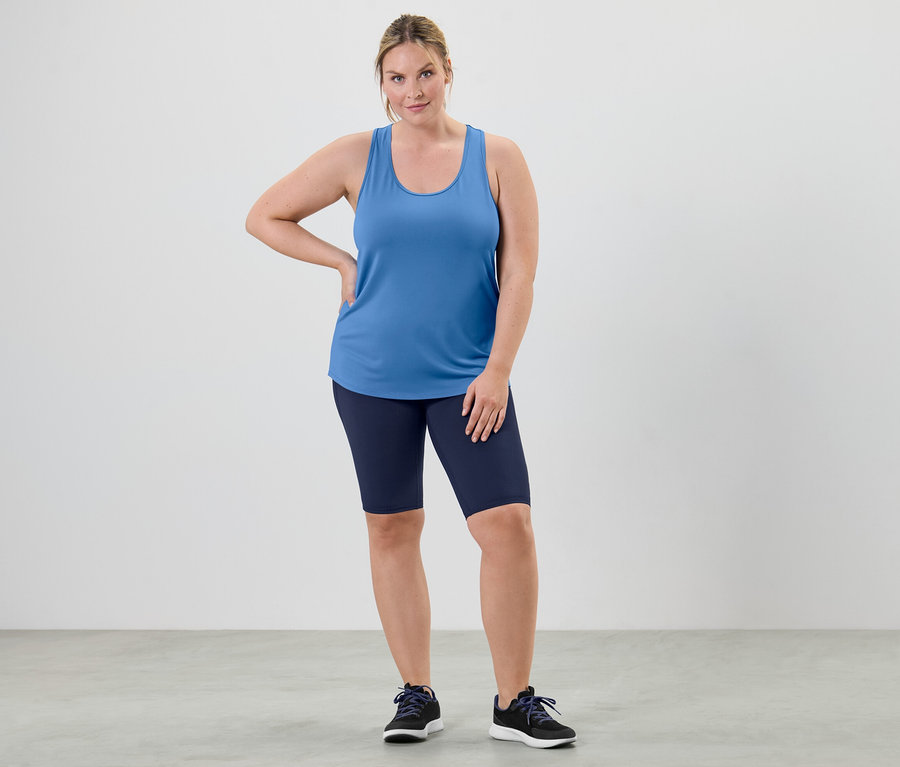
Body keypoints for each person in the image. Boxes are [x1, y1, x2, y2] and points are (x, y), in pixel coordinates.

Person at [245, 13, 576, 750]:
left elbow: (519, 272)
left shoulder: (499, 156)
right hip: (370, 372)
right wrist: (341, 262)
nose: (412, 89)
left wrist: (499, 369)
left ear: (448, 71)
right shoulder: (358, 155)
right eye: (397, 78)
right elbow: (263, 215)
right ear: (383, 85)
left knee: (507, 528)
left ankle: (513, 699)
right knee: (393, 527)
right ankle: (416, 693)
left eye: (424, 73)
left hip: (469, 377)